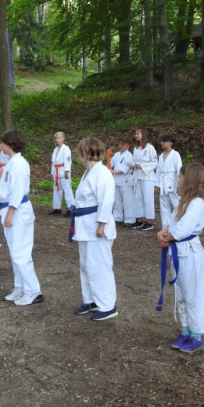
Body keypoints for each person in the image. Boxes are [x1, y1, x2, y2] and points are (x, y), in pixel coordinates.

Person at [156, 163, 204, 353]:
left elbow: (182, 229)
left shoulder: (197, 203)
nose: (177, 180)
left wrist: (168, 236)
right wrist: (161, 234)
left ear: (189, 180)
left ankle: (197, 335)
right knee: (181, 293)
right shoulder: (184, 202)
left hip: (190, 253)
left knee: (193, 294)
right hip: (178, 251)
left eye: (180, 177)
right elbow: (171, 224)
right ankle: (186, 330)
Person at [0, 130, 43, 306]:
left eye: (2, 142)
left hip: (18, 211)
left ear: (11, 144)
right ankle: (20, 286)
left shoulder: (19, 164)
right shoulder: (11, 163)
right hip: (10, 209)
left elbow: (18, 190)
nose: (0, 145)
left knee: (21, 252)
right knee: (15, 252)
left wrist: (11, 212)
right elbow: (4, 188)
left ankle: (33, 290)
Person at [71, 136, 118, 321]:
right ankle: (91, 300)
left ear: (86, 152)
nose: (78, 157)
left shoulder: (103, 173)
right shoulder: (88, 173)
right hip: (85, 225)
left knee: (99, 266)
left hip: (97, 226)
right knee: (86, 265)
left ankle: (107, 305)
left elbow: (107, 200)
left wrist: (102, 224)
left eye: (80, 153)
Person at [132, 128, 158, 231]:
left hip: (147, 177)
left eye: (137, 134)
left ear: (143, 134)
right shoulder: (136, 149)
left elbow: (155, 163)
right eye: (135, 134)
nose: (136, 136)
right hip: (137, 176)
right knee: (138, 198)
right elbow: (134, 161)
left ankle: (149, 221)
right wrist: (133, 166)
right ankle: (139, 220)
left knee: (148, 199)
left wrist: (142, 166)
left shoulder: (150, 148)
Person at [156, 134, 182, 228]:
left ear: (171, 143)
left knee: (177, 205)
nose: (162, 143)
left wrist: (180, 184)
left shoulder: (175, 155)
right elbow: (158, 171)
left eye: (164, 141)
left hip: (173, 181)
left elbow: (179, 170)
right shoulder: (161, 156)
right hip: (163, 182)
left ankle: (180, 225)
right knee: (164, 206)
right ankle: (165, 227)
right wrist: (157, 185)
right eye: (162, 142)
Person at [110, 137, 136, 227]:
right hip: (116, 180)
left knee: (127, 201)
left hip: (125, 180)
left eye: (122, 144)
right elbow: (110, 164)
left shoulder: (129, 156)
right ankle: (118, 217)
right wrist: (108, 168)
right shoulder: (116, 154)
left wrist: (113, 171)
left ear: (127, 146)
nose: (120, 146)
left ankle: (130, 219)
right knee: (116, 200)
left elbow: (125, 169)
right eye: (119, 144)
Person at [50, 131, 75, 216]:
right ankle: (57, 208)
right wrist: (53, 172)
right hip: (57, 172)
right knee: (57, 190)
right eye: (56, 138)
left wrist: (67, 171)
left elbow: (67, 160)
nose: (57, 139)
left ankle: (71, 209)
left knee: (67, 190)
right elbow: (53, 162)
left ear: (63, 138)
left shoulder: (66, 149)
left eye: (58, 138)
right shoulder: (55, 149)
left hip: (63, 172)